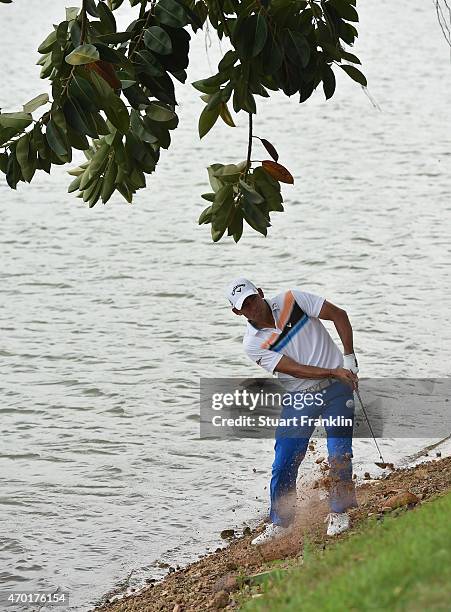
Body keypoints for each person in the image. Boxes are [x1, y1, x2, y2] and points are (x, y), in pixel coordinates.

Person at [225, 277, 359, 544]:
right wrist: (333, 370)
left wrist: (349, 358)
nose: (252, 307)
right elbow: (294, 368)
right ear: (237, 312)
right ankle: (281, 522)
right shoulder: (252, 343)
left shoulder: (293, 299)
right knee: (284, 461)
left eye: (252, 299)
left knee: (339, 452)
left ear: (260, 293)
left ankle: (339, 511)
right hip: (301, 397)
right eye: (245, 306)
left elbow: (338, 315)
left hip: (337, 388)